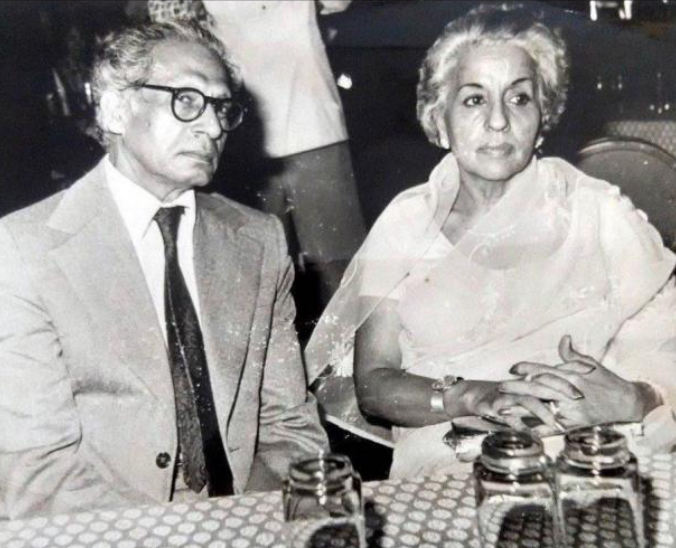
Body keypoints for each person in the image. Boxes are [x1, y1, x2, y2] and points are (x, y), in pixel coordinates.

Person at [305, 4, 676, 479]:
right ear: (439, 119)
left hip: (588, 454)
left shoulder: (598, 211)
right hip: (448, 460)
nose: (498, 121)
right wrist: (473, 395)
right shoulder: (405, 224)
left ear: (544, 116)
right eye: (474, 100)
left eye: (519, 98)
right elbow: (373, 386)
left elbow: (666, 347)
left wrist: (636, 397)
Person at [0, 20, 328, 518]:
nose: (213, 127)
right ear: (116, 109)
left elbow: (289, 427)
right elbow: (37, 473)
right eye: (187, 100)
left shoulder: (259, 240)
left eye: (222, 108)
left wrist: (251, 523)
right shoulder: (24, 250)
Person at [147, 0, 367, 315]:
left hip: (316, 130)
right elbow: (171, 36)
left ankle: (353, 346)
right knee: (259, 275)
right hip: (247, 143)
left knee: (340, 267)